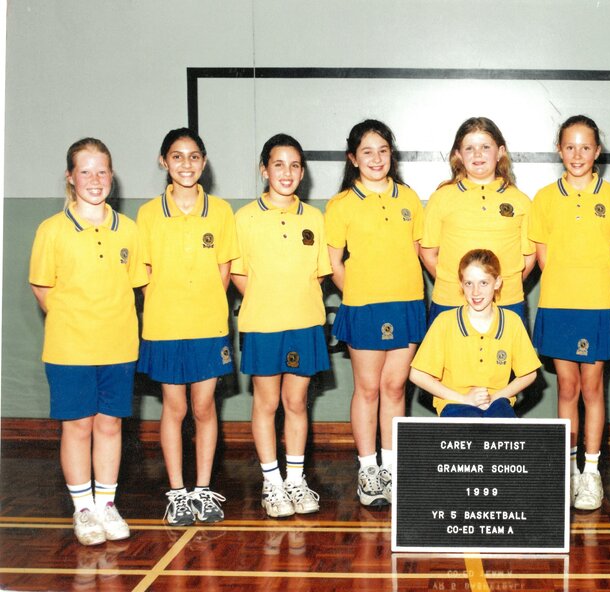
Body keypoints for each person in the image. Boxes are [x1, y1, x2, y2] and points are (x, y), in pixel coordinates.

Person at [29, 138, 147, 545]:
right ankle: (83, 510)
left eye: (102, 171)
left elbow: (135, 286)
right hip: (69, 349)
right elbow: (43, 289)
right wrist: (73, 324)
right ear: (70, 177)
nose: (95, 180)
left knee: (110, 425)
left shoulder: (129, 229)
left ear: (111, 177)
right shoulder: (52, 230)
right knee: (77, 427)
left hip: (118, 347)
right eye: (86, 171)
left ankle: (106, 506)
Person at [137, 128, 237, 526]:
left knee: (204, 406)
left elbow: (225, 269)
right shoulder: (147, 214)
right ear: (164, 161)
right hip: (164, 328)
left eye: (194, 156)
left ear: (204, 161)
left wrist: (205, 307)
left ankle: (203, 490)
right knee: (174, 407)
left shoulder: (221, 211)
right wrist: (167, 306)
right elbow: (143, 274)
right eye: (177, 157)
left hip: (209, 327)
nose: (186, 164)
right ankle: (177, 493)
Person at [529, 115, 610, 511]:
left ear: (597, 151)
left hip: (598, 306)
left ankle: (591, 472)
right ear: (559, 150)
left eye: (585, 147)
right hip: (558, 306)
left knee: (593, 388)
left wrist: (604, 289)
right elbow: (543, 255)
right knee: (567, 388)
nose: (577, 154)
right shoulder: (544, 197)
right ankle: (567, 470)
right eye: (569, 146)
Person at [326, 120, 426, 507]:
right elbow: (334, 263)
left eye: (383, 150)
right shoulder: (341, 204)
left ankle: (392, 467)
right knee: (368, 389)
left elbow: (421, 251)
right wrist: (360, 296)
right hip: (364, 308)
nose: (376, 158)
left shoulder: (409, 199)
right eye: (367, 151)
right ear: (353, 158)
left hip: (407, 304)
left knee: (395, 388)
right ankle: (368, 470)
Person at [232, 133, 332, 518]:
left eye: (294, 165)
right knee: (267, 402)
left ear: (302, 172)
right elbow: (239, 275)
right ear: (264, 170)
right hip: (262, 324)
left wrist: (294, 300)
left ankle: (295, 479)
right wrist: (268, 300)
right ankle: (272, 483)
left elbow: (319, 274)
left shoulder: (314, 218)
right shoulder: (245, 218)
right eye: (278, 164)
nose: (286, 172)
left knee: (295, 402)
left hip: (305, 323)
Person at [420, 117, 535, 325]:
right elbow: (428, 253)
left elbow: (529, 257)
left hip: (506, 302)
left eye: (485, 147)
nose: (478, 154)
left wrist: (500, 286)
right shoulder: (441, 198)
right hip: (451, 302)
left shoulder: (520, 201)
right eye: (470, 148)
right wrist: (459, 285)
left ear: (500, 152)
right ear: (458, 155)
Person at [410, 249, 540, 418]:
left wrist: (495, 397)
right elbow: (417, 374)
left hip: (496, 404)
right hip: (455, 403)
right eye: (469, 283)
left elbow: (529, 373)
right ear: (461, 284)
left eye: (484, 283)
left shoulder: (511, 321)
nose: (475, 292)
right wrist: (465, 400)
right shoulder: (445, 321)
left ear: (497, 282)